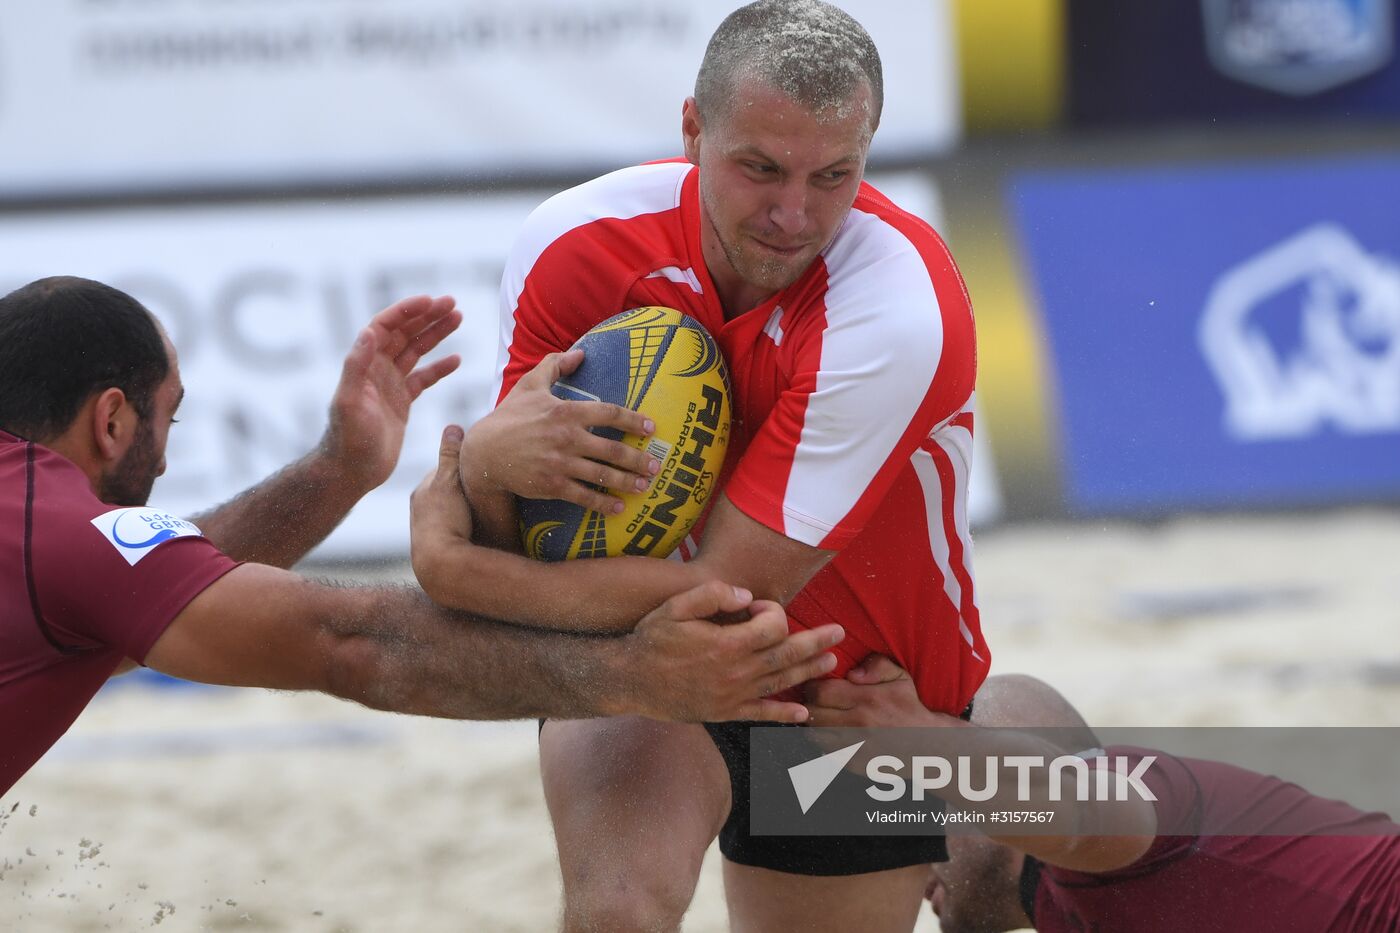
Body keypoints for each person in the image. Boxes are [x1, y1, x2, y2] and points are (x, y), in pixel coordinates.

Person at [407, 1, 988, 928]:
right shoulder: (579, 243)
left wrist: (454, 567)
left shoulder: (897, 309)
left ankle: (1014, 803)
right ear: (692, 130)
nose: (794, 213)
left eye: (833, 176)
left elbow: (723, 589)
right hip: (640, 654)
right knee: (617, 912)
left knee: (1025, 871)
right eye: (760, 168)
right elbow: (531, 533)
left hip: (851, 686)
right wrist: (484, 469)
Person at [0, 275, 846, 797]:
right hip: (854, 742)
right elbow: (350, 642)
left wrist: (336, 471)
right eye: (167, 418)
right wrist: (632, 674)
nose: (167, 446)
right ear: (111, 418)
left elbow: (160, 585)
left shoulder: (42, 538)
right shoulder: (61, 534)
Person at [804, 665, 1400, 933]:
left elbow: (1072, 809)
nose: (918, 858)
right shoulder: (1062, 909)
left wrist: (920, 742)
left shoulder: (1141, 796)